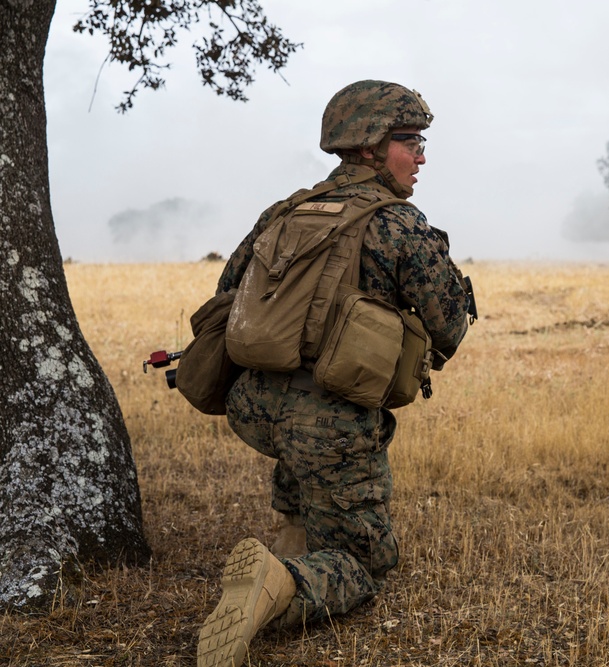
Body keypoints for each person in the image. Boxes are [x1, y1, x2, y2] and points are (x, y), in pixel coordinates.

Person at [197, 80, 471, 667]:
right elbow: (448, 326)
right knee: (364, 563)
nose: (421, 156)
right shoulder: (398, 224)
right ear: (372, 146)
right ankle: (277, 588)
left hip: (254, 406)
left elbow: (226, 295)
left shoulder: (286, 210)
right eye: (409, 141)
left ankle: (294, 536)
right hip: (329, 422)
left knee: (310, 453)